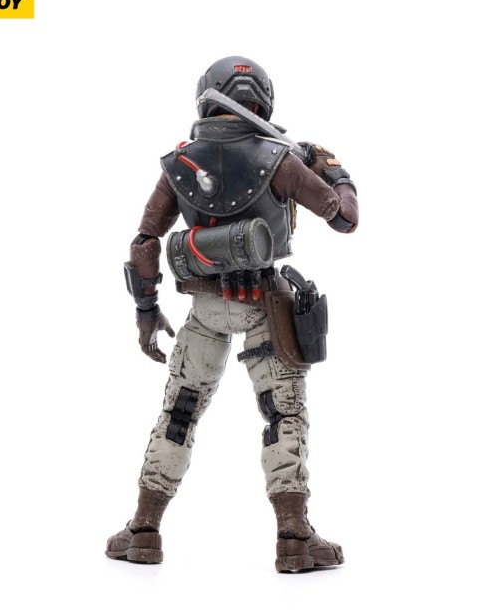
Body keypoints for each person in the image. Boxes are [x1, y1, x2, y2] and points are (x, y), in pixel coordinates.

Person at [105, 56, 359, 572]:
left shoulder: (180, 163)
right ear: (263, 101)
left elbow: (144, 243)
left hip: (204, 309)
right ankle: (294, 538)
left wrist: (147, 313)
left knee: (179, 413)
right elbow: (345, 219)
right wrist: (333, 170)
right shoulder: (282, 160)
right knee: (282, 415)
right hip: (265, 308)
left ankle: (144, 529)